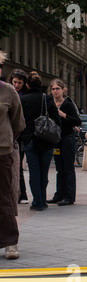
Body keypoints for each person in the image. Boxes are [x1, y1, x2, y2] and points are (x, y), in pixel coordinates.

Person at [20, 72, 61, 211]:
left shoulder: (23, 99)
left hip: (30, 139)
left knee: (34, 172)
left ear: (27, 85)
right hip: (46, 139)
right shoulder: (47, 99)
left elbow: (19, 121)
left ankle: (37, 201)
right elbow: (57, 119)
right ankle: (42, 200)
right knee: (44, 171)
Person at [0, 51, 26, 259]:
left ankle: (10, 243)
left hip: (2, 152)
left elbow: (18, 123)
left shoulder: (8, 92)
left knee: (4, 196)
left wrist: (7, 140)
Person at [46, 79, 81, 206]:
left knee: (68, 168)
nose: (55, 91)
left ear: (63, 90)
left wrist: (63, 115)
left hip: (67, 138)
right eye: (53, 89)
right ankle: (58, 194)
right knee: (59, 168)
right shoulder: (49, 103)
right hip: (55, 139)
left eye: (57, 89)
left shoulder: (68, 104)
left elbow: (77, 121)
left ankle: (69, 196)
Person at [7, 69, 28, 204]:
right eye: (15, 82)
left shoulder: (23, 96)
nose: (17, 85)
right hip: (8, 134)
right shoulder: (7, 92)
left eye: (20, 82)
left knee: (18, 165)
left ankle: (22, 194)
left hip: (19, 135)